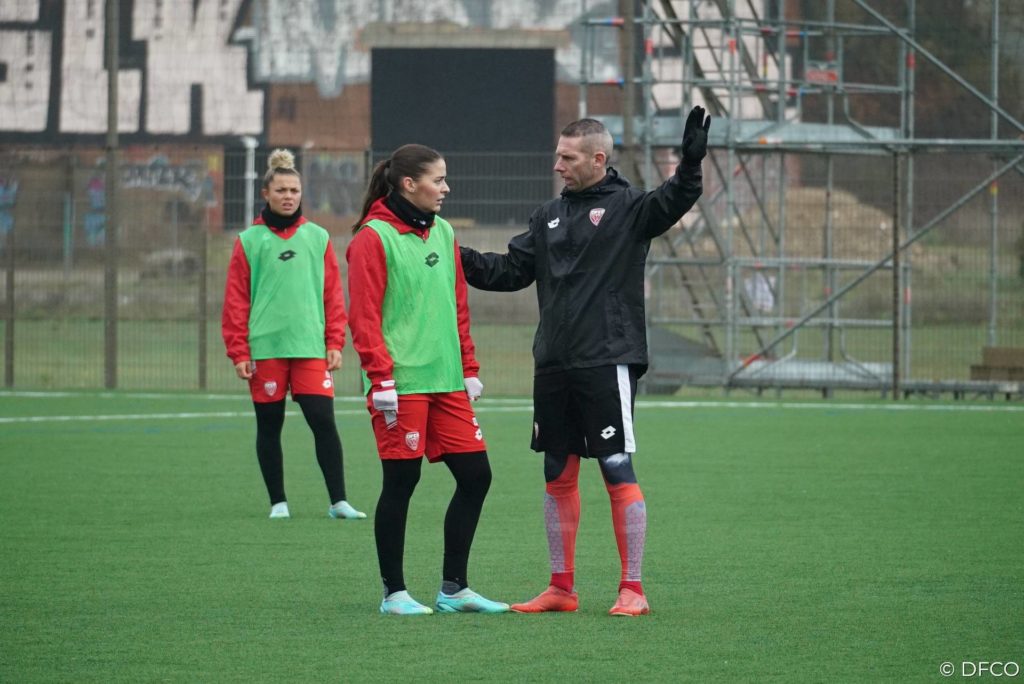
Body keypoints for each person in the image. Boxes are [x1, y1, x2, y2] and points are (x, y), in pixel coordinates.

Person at [459, 106, 711, 617]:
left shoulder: (631, 208)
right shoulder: (547, 215)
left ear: (598, 158)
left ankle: (633, 589)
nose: (558, 165)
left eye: (567, 157)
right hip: (553, 362)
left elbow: (677, 199)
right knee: (557, 471)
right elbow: (509, 271)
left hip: (607, 359)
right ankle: (561, 589)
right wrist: (447, 249)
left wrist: (689, 165)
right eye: (557, 155)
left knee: (616, 467)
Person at [346, 144, 508, 616]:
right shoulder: (372, 238)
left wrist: (469, 368)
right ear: (408, 184)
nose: (446, 188)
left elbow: (458, 305)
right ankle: (394, 594)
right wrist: (381, 378)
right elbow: (364, 317)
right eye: (438, 180)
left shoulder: (445, 232)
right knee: (402, 480)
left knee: (477, 476)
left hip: (447, 381)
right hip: (400, 383)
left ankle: (453, 589)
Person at [222, 148, 365, 521]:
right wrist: (238, 350)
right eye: (282, 190)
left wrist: (335, 341)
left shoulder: (317, 238)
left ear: (302, 194)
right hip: (266, 348)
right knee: (270, 426)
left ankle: (339, 502)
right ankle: (278, 503)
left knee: (324, 423)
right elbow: (236, 300)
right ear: (266, 193)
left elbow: (333, 294)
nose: (288, 196)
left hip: (309, 347)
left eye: (295, 190)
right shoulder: (249, 241)